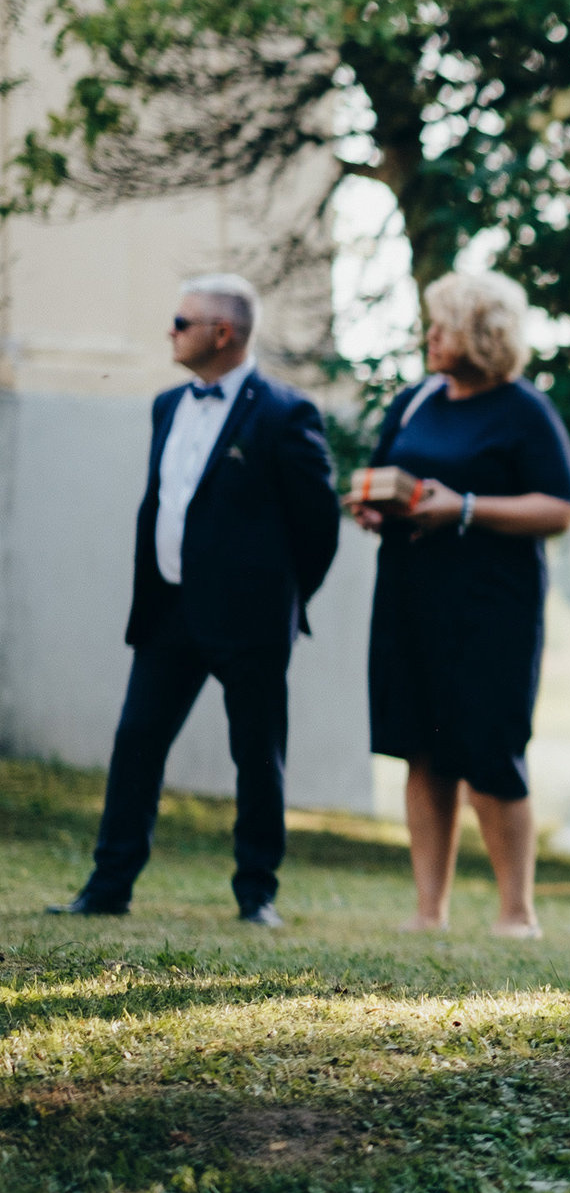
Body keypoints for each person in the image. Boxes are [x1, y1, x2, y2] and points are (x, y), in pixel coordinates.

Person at [50, 275, 340, 926]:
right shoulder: (165, 405)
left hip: (251, 620)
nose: (170, 332)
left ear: (222, 333)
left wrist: (287, 601)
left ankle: (256, 894)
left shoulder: (285, 413)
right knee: (137, 742)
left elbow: (318, 524)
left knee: (257, 755)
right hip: (167, 610)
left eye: (181, 322)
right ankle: (107, 887)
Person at [352, 272, 570, 939]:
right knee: (423, 747)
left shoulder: (524, 409)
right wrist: (372, 507)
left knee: (491, 748)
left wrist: (466, 507)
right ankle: (429, 911)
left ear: (480, 334)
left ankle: (517, 912)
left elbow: (559, 506)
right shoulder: (415, 399)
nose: (430, 336)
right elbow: (381, 472)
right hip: (409, 597)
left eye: (441, 326)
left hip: (491, 608)